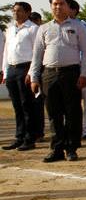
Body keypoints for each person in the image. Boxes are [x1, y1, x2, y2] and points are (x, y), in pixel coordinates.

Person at [30, 0, 86, 162]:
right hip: (49, 74)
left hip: (71, 73)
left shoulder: (78, 26)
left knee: (72, 112)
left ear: (67, 5)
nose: (58, 7)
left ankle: (71, 148)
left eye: (61, 3)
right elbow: (37, 55)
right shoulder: (44, 28)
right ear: (51, 6)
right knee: (53, 113)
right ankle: (56, 149)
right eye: (55, 4)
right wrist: (34, 77)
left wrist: (84, 74)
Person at [2, 1, 39, 151]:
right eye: (14, 11)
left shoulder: (33, 29)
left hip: (26, 68)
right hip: (12, 68)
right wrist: (5, 71)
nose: (16, 13)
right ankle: (19, 136)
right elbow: (6, 51)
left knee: (27, 105)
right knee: (17, 106)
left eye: (19, 11)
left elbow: (37, 52)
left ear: (27, 12)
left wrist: (32, 72)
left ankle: (30, 138)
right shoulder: (10, 30)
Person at [69, 0, 86, 139]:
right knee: (72, 104)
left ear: (74, 10)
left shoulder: (82, 24)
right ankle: (75, 130)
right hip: (71, 70)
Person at [28, 11, 46, 140]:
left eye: (36, 20)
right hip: (31, 70)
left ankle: (39, 132)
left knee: (38, 103)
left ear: (40, 20)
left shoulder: (40, 31)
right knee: (28, 104)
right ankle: (30, 132)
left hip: (42, 70)